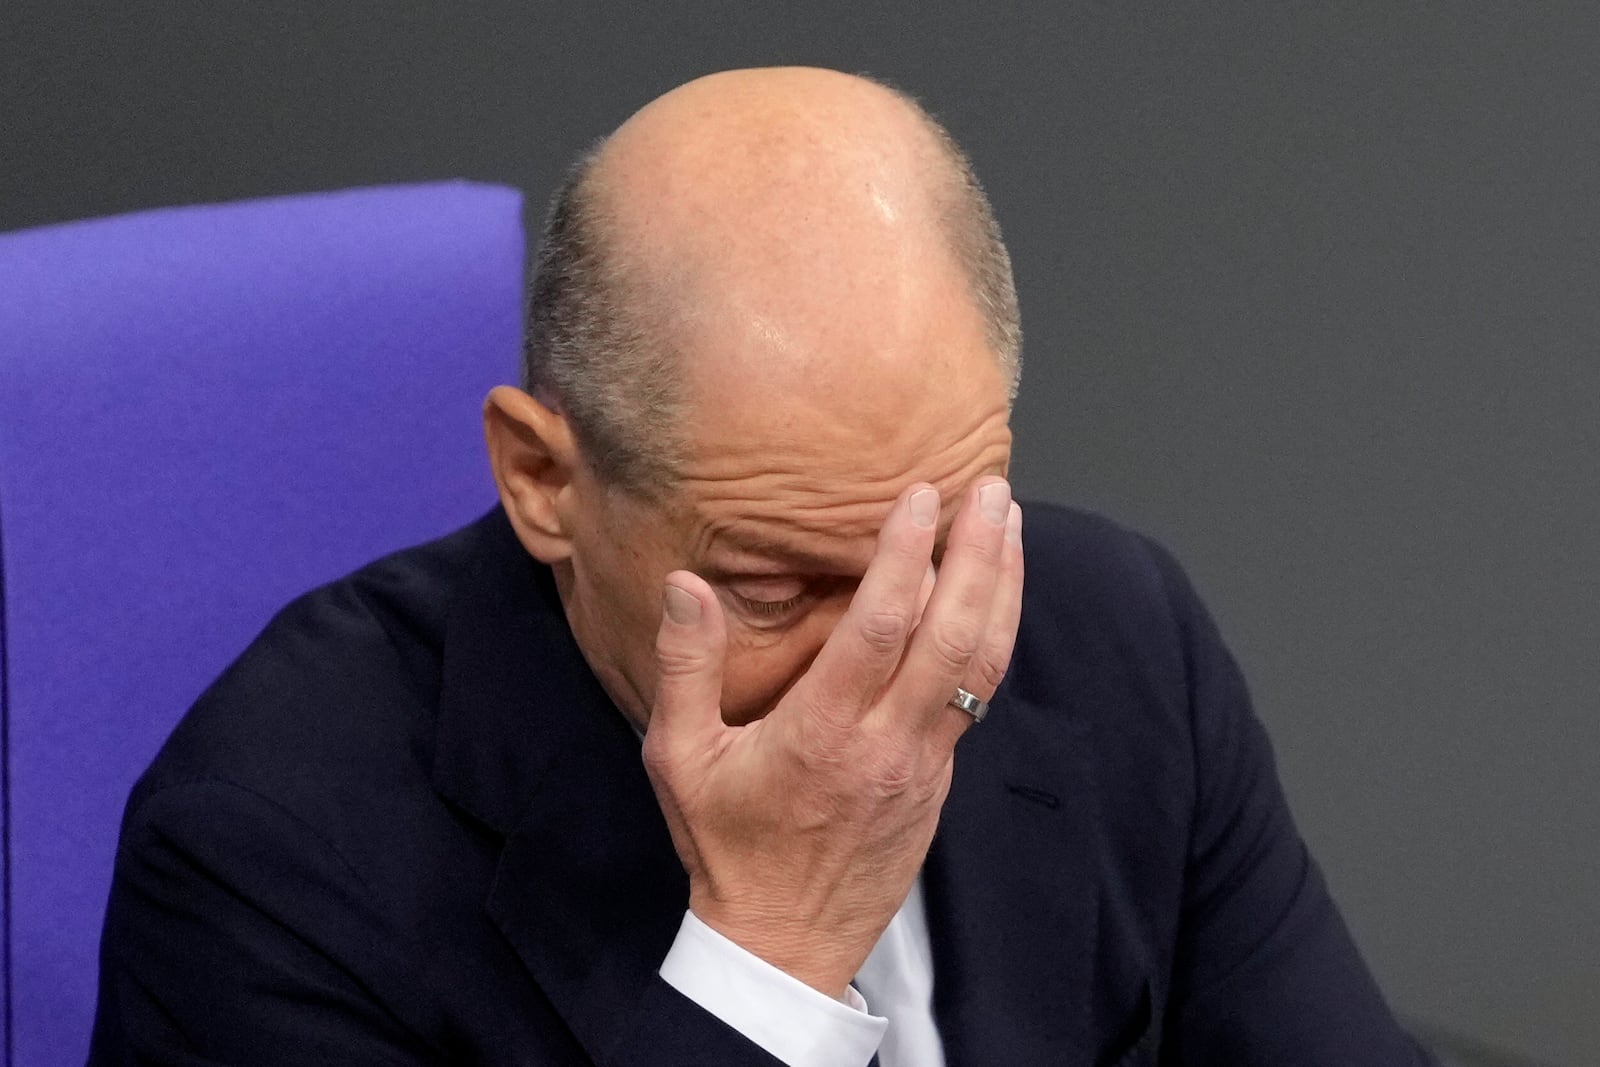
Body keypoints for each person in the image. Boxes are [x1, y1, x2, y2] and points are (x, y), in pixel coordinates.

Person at [89, 67, 1436, 1065]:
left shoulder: (1119, 640)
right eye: (776, 589)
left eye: (942, 534)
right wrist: (770, 954)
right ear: (543, 481)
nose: (896, 652)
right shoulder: (264, 854)